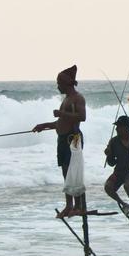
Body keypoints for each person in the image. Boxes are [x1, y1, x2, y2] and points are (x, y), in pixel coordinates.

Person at [33, 65, 87, 217]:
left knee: (73, 172)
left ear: (67, 83)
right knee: (65, 172)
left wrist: (61, 113)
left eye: (59, 83)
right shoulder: (67, 99)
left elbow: (82, 117)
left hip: (73, 138)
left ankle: (79, 205)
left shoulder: (78, 98)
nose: (57, 86)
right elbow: (61, 123)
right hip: (62, 139)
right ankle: (70, 205)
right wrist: (44, 125)